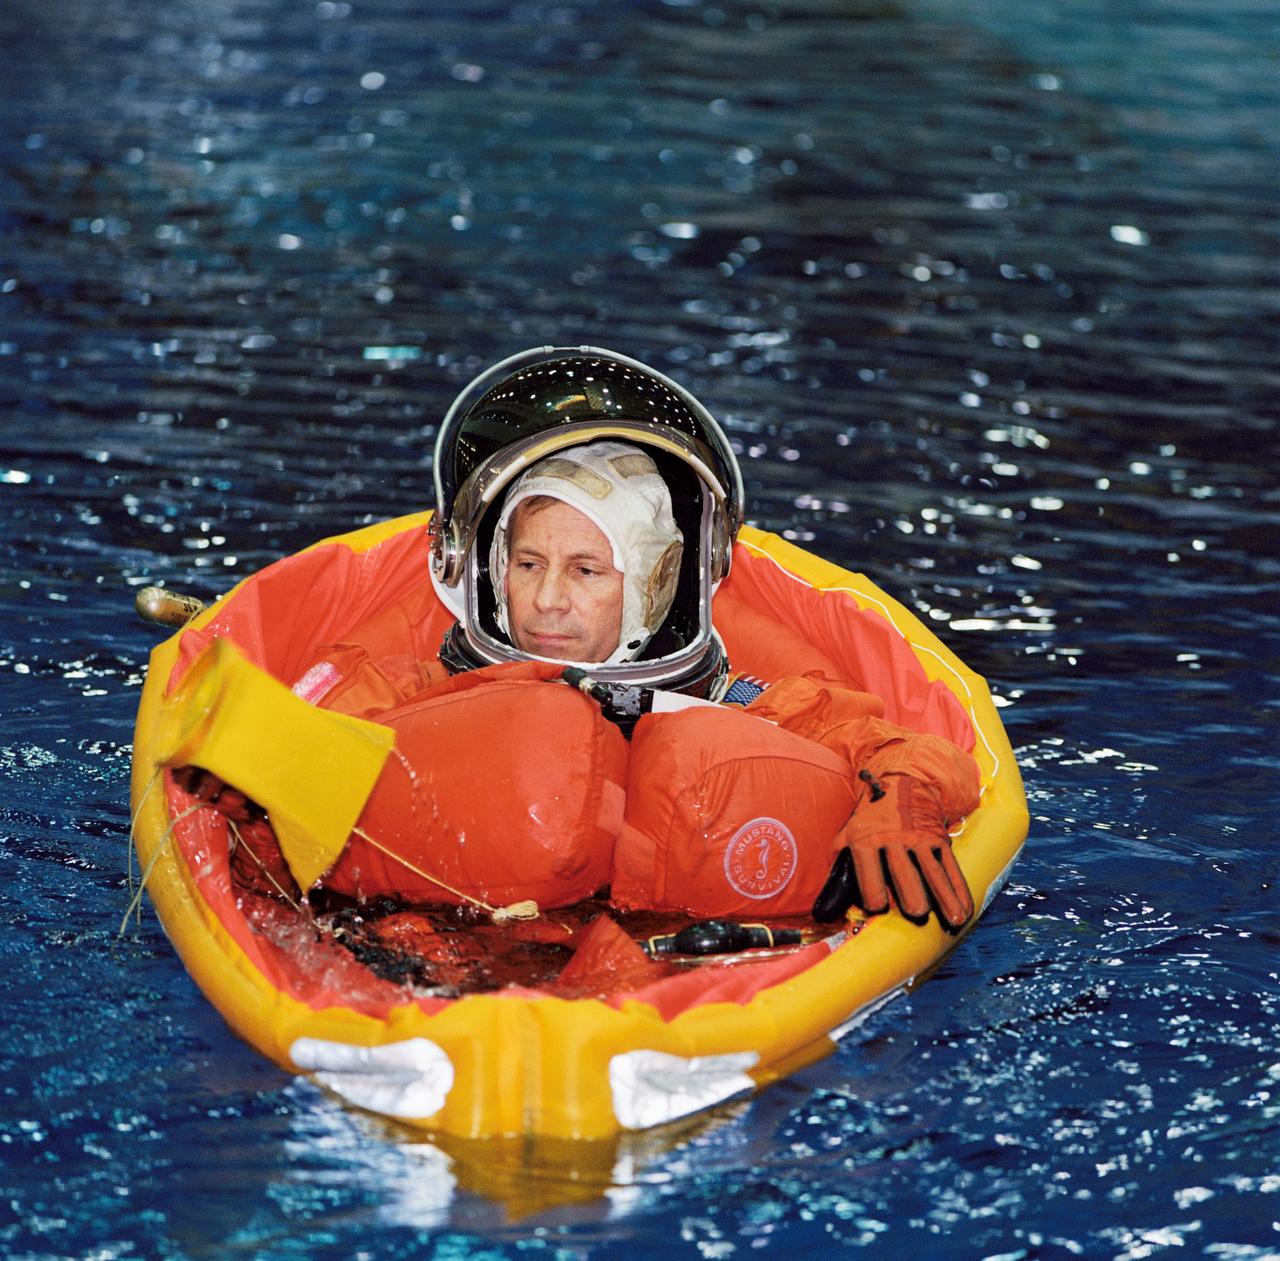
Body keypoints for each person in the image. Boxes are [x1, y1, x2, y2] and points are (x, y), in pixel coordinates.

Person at [178, 346, 979, 929]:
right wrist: (264, 781)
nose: (548, 600)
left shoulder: (748, 700)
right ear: (491, 568)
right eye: (528, 562)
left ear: (652, 587)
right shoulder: (412, 689)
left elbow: (909, 747)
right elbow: (294, 748)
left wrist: (903, 798)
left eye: (589, 571)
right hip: (428, 972)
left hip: (681, 981)